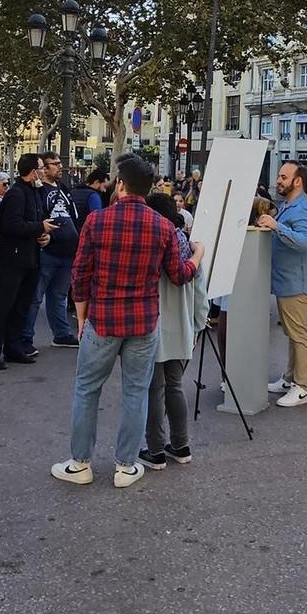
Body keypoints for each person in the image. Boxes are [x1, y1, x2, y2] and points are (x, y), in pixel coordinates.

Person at [53, 154, 201, 488]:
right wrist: (199, 256)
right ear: (148, 189)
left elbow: (80, 275)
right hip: (143, 322)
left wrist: (81, 317)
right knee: (136, 392)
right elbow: (179, 275)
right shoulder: (163, 226)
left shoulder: (97, 221)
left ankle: (80, 463)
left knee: (87, 389)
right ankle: (126, 465)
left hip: (103, 318)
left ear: (120, 184)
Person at [139, 192, 206, 472]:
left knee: (154, 390)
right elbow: (201, 296)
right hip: (182, 328)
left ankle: (155, 450)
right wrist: (197, 326)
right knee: (175, 387)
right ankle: (181, 445)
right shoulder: (189, 250)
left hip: (153, 327)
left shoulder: (150, 248)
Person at [256, 160, 307, 408]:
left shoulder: (302, 209)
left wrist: (276, 226)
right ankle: (290, 379)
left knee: (299, 334)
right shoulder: (289, 205)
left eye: (283, 176)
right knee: (293, 333)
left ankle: (302, 387)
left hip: (297, 282)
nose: (278, 180)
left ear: (297, 181)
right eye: (279, 176)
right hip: (288, 281)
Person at [0, 153, 51, 370]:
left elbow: (35, 222)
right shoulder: (16, 194)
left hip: (29, 258)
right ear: (33, 172)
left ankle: (13, 347)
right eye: (41, 168)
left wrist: (43, 235)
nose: (43, 171)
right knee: (4, 306)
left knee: (21, 306)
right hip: (12, 260)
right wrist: (40, 228)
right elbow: (12, 225)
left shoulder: (35, 192)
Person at [30, 153, 82, 349]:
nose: (60, 167)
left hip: (67, 252)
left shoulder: (63, 190)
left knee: (58, 296)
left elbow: (73, 216)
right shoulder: (38, 191)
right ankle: (26, 336)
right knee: (35, 296)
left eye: (60, 163)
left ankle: (61, 334)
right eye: (55, 164)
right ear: (44, 168)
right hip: (48, 251)